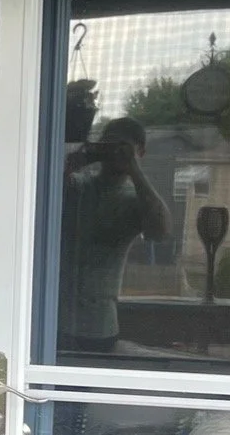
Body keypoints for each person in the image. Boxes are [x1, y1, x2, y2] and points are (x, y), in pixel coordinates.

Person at [57, 115, 170, 355]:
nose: (114, 155)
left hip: (99, 326)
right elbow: (37, 198)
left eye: (122, 149)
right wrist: (73, 162)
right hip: (54, 320)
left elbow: (160, 231)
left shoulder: (132, 202)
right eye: (108, 146)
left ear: (140, 152)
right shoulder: (77, 188)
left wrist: (134, 169)